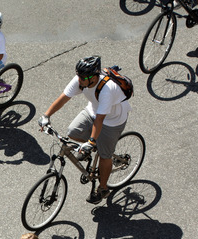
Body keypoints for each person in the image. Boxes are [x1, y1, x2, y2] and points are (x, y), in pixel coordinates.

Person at [38, 55, 132, 204]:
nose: (79, 80)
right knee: (73, 131)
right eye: (78, 76)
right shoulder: (81, 80)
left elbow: (100, 120)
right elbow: (64, 97)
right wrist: (46, 116)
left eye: (83, 77)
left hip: (113, 120)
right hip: (93, 110)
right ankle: (92, 148)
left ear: (94, 77)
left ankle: (102, 188)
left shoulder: (107, 89)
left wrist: (92, 141)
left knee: (104, 154)